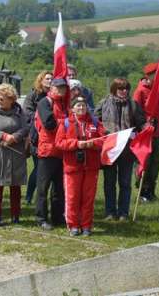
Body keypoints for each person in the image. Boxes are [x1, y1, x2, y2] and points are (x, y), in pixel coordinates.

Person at [95, 78, 146, 221]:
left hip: (127, 150)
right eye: (121, 89)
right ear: (114, 89)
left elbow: (141, 123)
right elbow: (95, 120)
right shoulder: (104, 103)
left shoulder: (133, 105)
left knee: (125, 183)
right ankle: (110, 212)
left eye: (126, 89)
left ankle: (124, 212)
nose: (124, 91)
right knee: (109, 182)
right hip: (110, 149)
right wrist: (103, 133)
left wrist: (147, 127)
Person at [55, 96, 106, 236]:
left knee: (88, 197)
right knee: (72, 197)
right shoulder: (66, 123)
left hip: (91, 167)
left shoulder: (95, 122)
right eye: (78, 106)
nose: (81, 108)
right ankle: (73, 225)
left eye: (83, 105)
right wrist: (76, 144)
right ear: (72, 108)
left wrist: (92, 143)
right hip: (72, 167)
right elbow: (59, 143)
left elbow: (103, 140)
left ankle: (86, 225)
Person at [0, 84, 28, 226]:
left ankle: (16, 214)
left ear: (11, 100)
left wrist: (14, 137)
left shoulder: (19, 112)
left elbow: (25, 127)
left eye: (2, 98)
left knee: (15, 184)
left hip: (16, 152)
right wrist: (4, 136)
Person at [34, 78, 69, 230]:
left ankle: (57, 217)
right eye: (59, 87)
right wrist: (66, 123)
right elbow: (49, 124)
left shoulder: (63, 104)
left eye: (63, 88)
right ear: (52, 88)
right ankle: (41, 218)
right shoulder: (44, 103)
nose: (61, 90)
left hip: (61, 150)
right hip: (47, 151)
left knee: (59, 188)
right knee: (43, 187)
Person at [133, 62, 159, 202]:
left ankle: (151, 190)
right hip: (145, 133)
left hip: (157, 132)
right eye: (156, 74)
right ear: (149, 75)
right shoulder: (140, 90)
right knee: (145, 163)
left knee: (155, 163)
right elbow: (135, 112)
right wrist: (143, 126)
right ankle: (142, 192)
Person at [23, 70, 53, 205]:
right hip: (36, 137)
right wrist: (42, 116)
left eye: (51, 79)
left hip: (52, 137)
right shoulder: (32, 96)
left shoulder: (55, 97)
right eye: (47, 78)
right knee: (38, 168)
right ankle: (29, 195)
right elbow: (27, 114)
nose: (49, 81)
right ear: (40, 80)